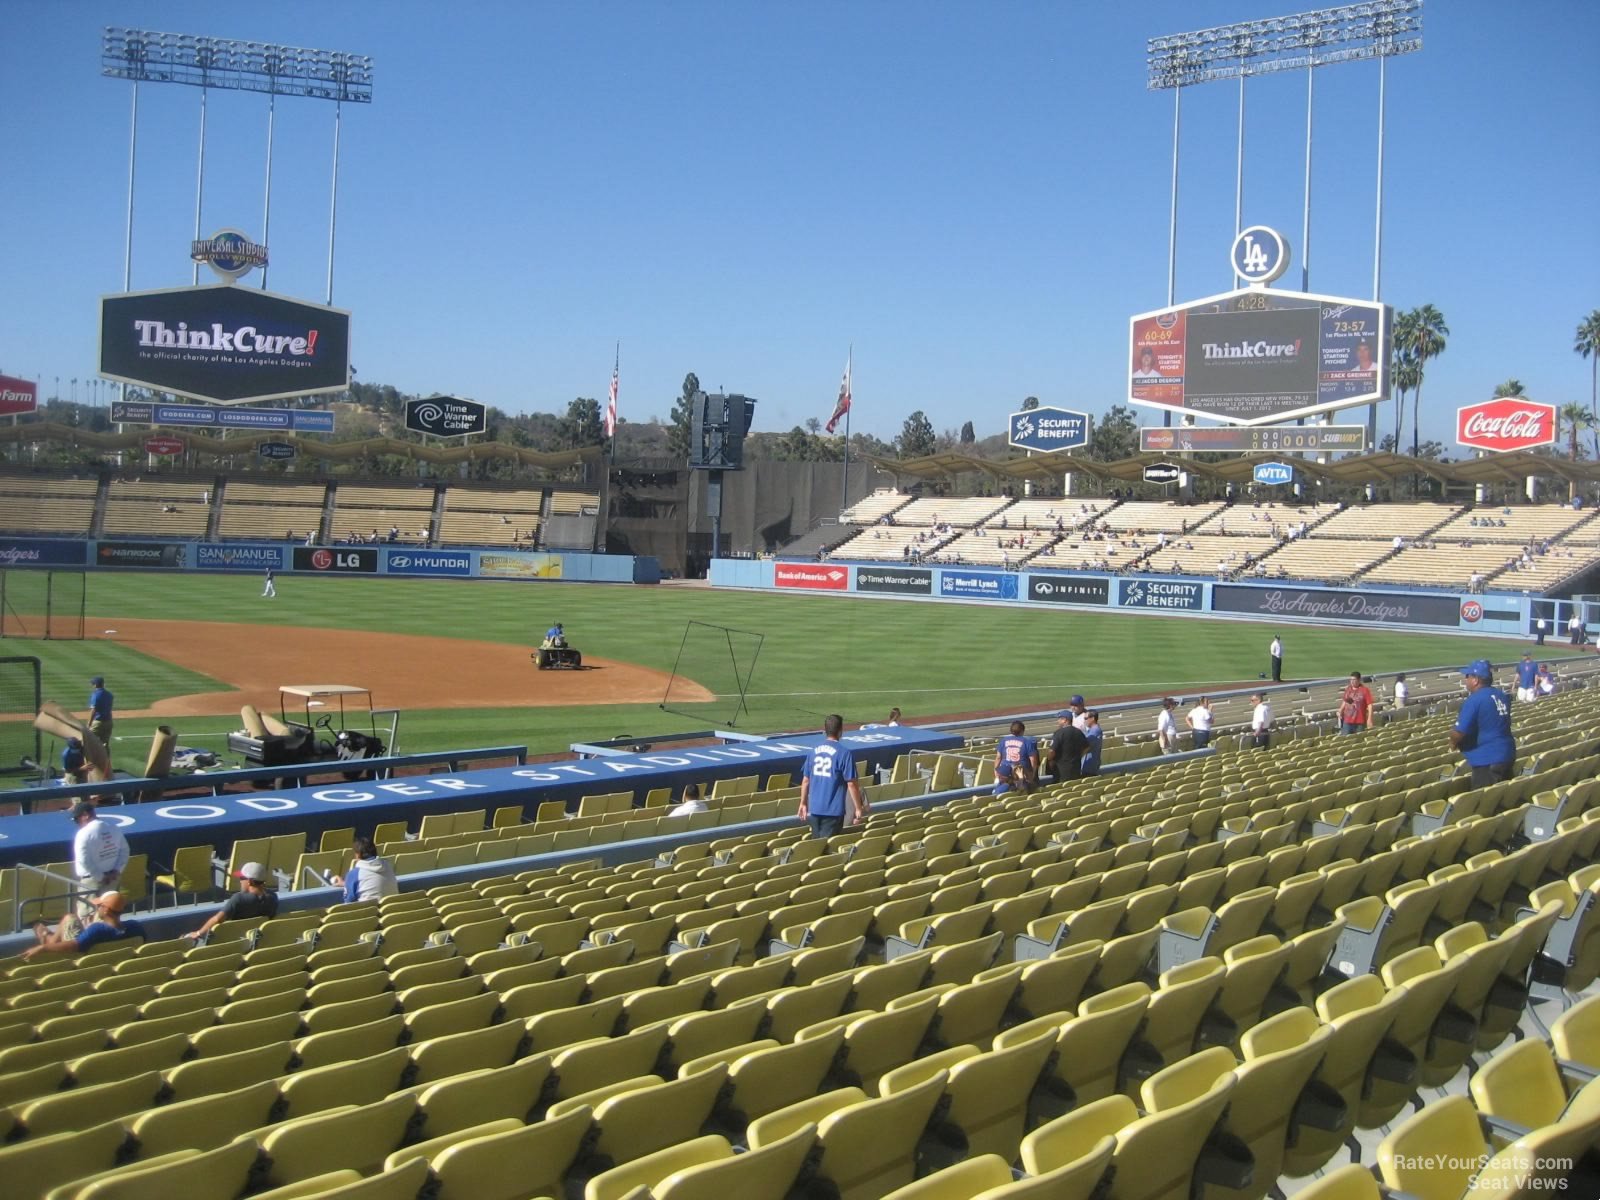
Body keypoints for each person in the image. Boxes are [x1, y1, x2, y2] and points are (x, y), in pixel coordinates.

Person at [21, 891, 143, 962]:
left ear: (105, 910)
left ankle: (46, 937)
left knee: (69, 919)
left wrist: (43, 948)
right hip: (114, 960)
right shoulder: (135, 927)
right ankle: (47, 936)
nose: (97, 907)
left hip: (82, 958)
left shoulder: (97, 930)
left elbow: (74, 946)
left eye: (99, 905)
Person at [797, 714, 864, 838]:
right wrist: (858, 808)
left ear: (825, 730)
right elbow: (851, 784)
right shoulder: (844, 753)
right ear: (840, 731)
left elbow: (806, 780)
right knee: (826, 849)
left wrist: (803, 803)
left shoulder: (813, 751)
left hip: (815, 809)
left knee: (816, 846)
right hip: (833, 811)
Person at [1452, 659, 1516, 788]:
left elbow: (1459, 732)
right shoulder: (1501, 695)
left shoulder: (1474, 700)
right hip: (1507, 753)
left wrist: (1452, 744)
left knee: (1484, 801)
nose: (1466, 680)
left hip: (1487, 759)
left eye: (1467, 676)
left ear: (1475, 680)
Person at [184, 862, 279, 941]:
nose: (240, 881)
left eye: (242, 878)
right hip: (257, 940)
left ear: (250, 882)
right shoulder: (273, 897)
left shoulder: (238, 899)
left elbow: (217, 919)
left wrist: (198, 933)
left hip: (235, 942)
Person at [72, 801, 129, 919]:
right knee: (111, 915)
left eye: (76, 819)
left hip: (91, 882)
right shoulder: (114, 828)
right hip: (112, 880)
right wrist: (116, 871)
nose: (77, 823)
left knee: (88, 917)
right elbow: (125, 851)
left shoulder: (83, 833)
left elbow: (84, 860)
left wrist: (100, 876)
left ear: (85, 815)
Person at [332, 837, 399, 902]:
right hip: (390, 911)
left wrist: (348, 883)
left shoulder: (354, 874)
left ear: (357, 855)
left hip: (368, 912)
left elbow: (348, 902)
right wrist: (346, 883)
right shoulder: (388, 866)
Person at [1048, 710, 1088, 782]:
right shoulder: (1078, 732)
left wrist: (1050, 760)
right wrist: (1079, 756)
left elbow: (1052, 751)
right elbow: (1086, 747)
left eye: (1059, 719)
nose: (1058, 721)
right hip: (1076, 767)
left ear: (1065, 720)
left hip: (1061, 769)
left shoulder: (1059, 733)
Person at [87, 675, 114, 748]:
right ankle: (107, 759)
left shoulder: (95, 695)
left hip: (98, 723)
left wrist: (89, 724)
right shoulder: (109, 694)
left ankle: (90, 759)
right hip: (108, 721)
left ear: (95, 685)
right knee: (105, 745)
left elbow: (93, 710)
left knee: (89, 742)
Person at [1080, 711, 1103, 776]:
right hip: (1091, 765)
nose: (1084, 721)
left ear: (1092, 718)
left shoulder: (1095, 731)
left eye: (1085, 718)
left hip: (1089, 766)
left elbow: (1086, 747)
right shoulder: (1093, 730)